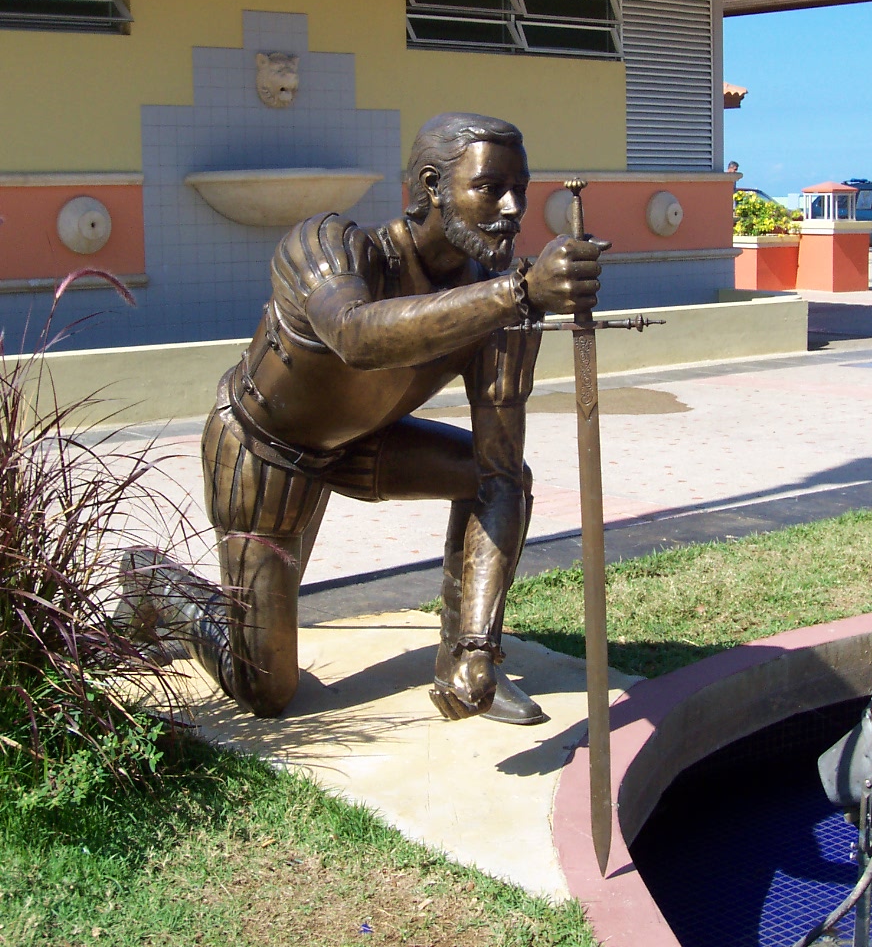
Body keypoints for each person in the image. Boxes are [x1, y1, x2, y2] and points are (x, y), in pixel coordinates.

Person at [121, 113, 603, 725]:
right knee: (266, 688)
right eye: (489, 188)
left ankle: (463, 664)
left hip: (362, 442)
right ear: (432, 186)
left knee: (490, 476)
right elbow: (356, 336)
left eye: (520, 190)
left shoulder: (495, 299)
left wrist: (479, 644)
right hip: (266, 449)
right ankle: (155, 584)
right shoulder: (329, 248)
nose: (512, 209)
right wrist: (520, 294)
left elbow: (502, 473)